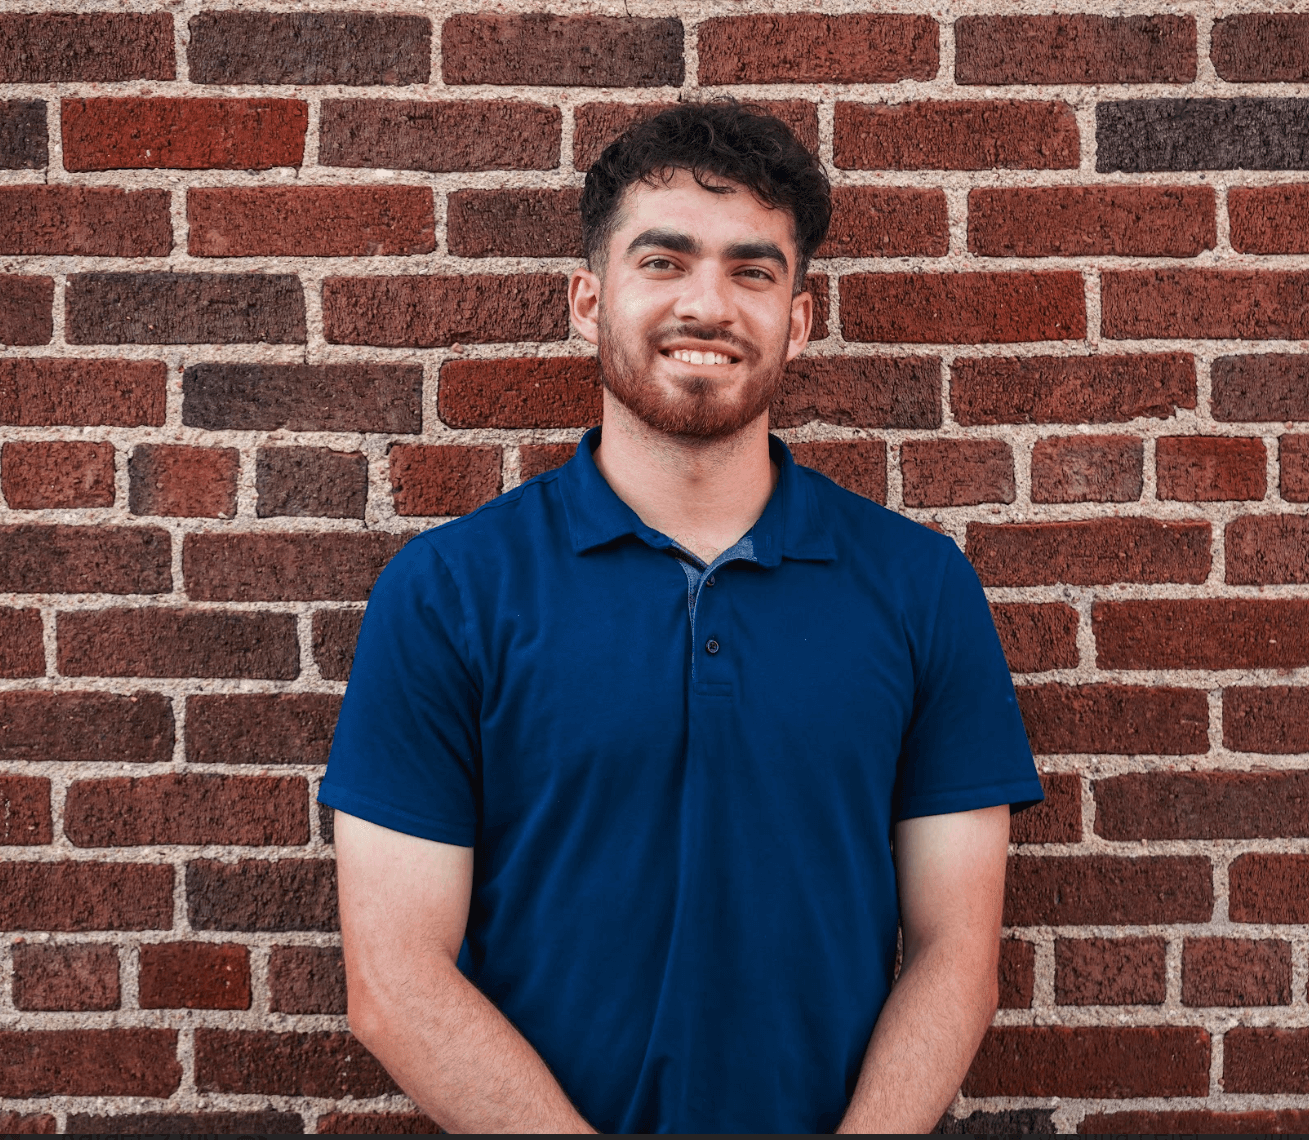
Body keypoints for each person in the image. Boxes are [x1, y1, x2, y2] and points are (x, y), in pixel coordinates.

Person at [320, 100, 1043, 1134]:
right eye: (663, 262)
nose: (708, 305)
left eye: (753, 272)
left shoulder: (919, 586)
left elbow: (955, 958)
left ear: (798, 318)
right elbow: (395, 980)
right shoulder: (447, 593)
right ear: (588, 300)